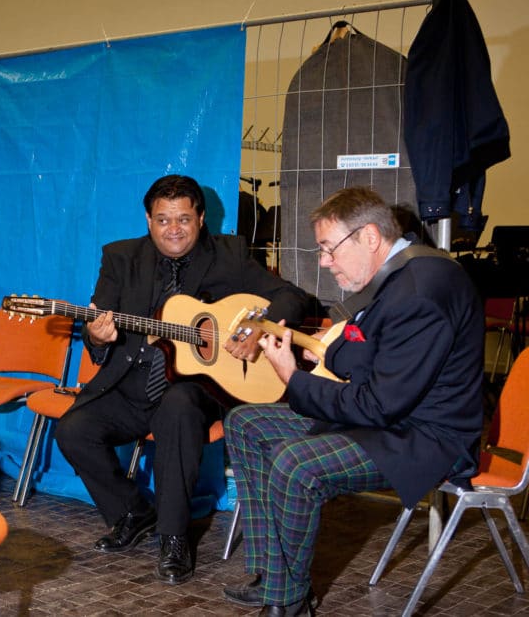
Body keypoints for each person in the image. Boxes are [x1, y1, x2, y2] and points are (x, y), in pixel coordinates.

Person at [222, 187, 483, 616]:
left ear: (369, 237)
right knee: (245, 424)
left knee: (295, 463)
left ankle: (287, 605)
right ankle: (275, 577)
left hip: (425, 439)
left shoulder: (419, 290)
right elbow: (363, 350)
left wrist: (291, 375)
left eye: (328, 248)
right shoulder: (402, 273)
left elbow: (379, 405)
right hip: (390, 419)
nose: (324, 262)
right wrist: (322, 350)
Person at [55, 174, 311, 585]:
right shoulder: (120, 258)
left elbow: (291, 296)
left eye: (183, 219)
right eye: (162, 220)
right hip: (134, 381)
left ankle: (173, 538)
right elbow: (99, 323)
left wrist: (258, 328)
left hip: (198, 389)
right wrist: (96, 337)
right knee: (73, 430)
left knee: (176, 409)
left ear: (201, 218)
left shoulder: (228, 254)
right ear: (148, 219)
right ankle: (133, 512)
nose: (173, 229)